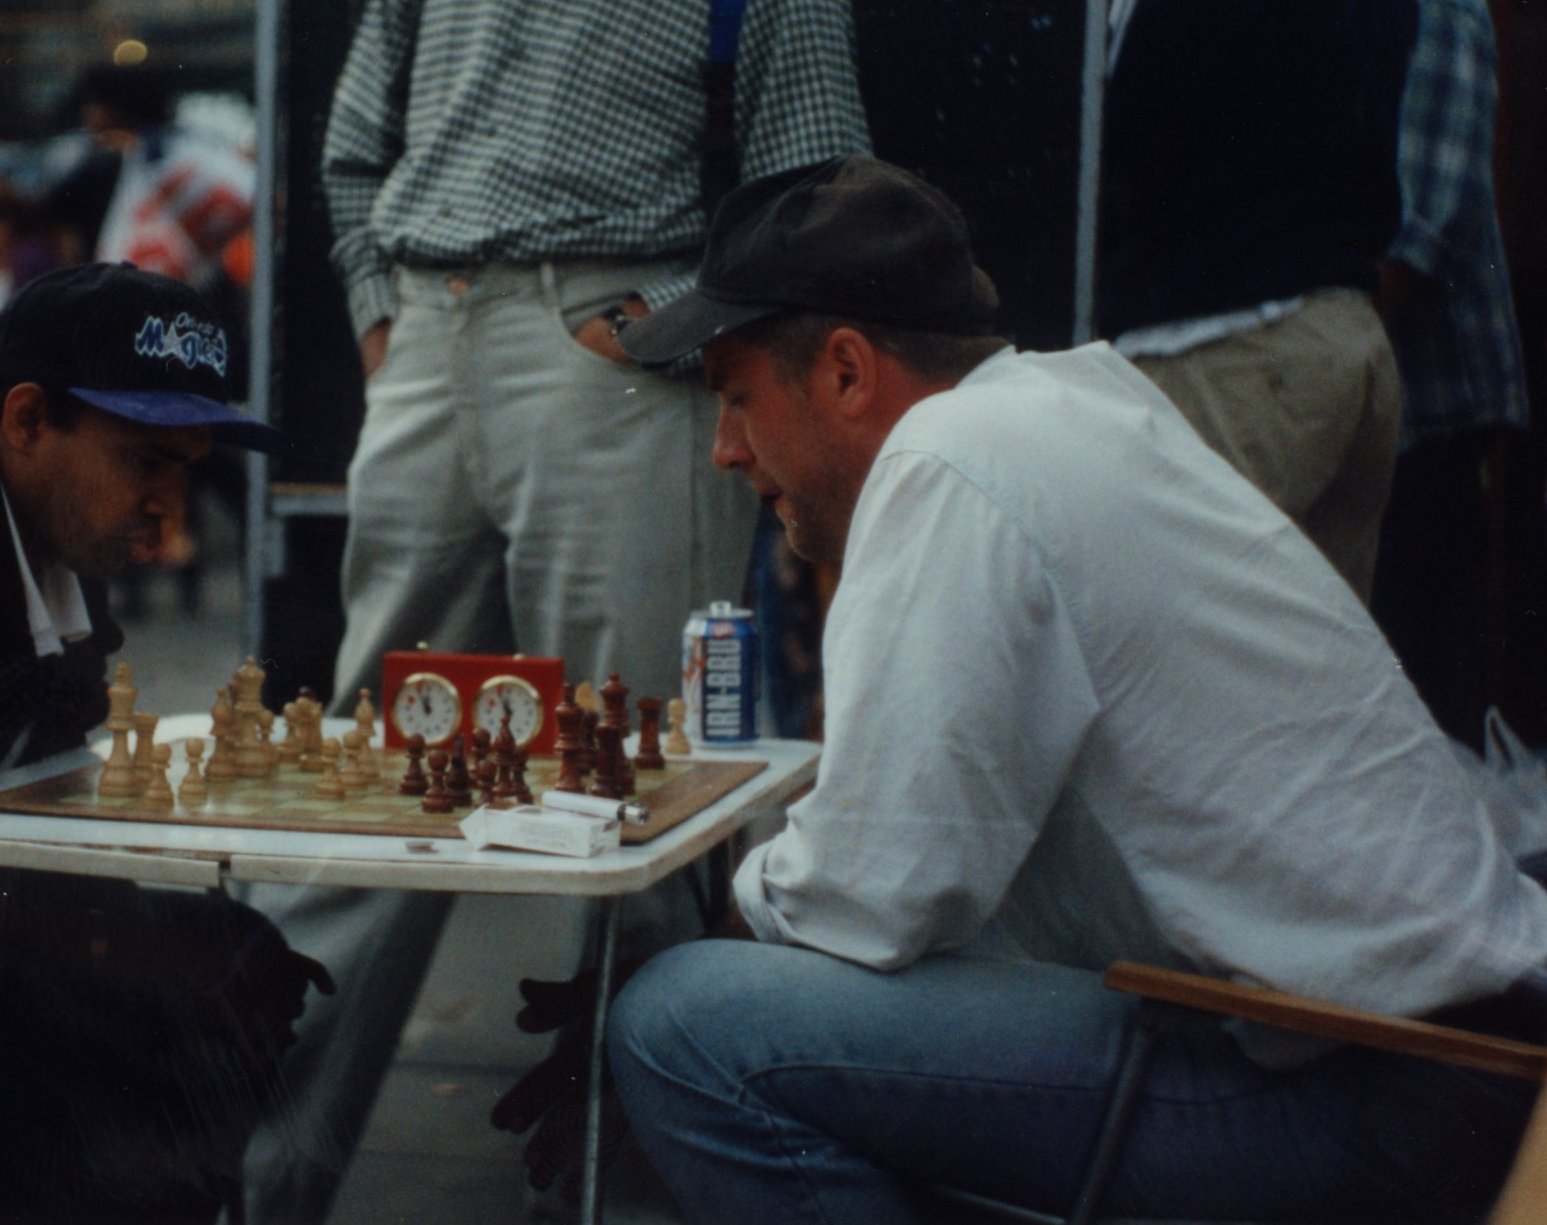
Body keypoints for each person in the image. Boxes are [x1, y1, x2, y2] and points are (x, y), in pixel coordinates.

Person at [603, 155, 1547, 1223]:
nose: (726, 449)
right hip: (1440, 1059)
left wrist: (726, 923)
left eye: (736, 399)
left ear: (847, 371)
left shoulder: (950, 459)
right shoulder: (1061, 405)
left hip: (1372, 1092)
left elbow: (868, 893)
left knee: (679, 1027)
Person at [235, 5, 870, 1221]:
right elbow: (354, 144)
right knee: (368, 782)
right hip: (433, 325)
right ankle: (254, 1184)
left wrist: (668, 318)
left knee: (638, 792)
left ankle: (616, 1199)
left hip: (613, 345)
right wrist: (391, 322)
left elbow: (813, 177)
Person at [0, 261, 329, 1223]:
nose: (168, 511)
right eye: (145, 460)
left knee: (238, 962)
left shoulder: (56, 551)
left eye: (186, 470)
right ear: (25, 421)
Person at [1098, 0, 1414, 602]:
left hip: (1224, 353)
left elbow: (1123, 140)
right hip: (1339, 336)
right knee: (1308, 677)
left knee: (1163, 664)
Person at [1371, 0, 1536, 746]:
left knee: (1426, 706)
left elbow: (1422, 229)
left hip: (1428, 405)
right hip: (1354, 398)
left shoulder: (1436, 10)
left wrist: (1300, 353)